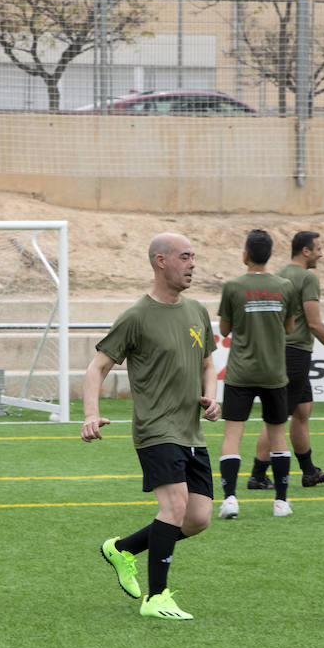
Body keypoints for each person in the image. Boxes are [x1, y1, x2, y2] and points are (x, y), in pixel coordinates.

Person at [81, 232, 220, 621]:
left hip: (191, 430)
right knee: (173, 505)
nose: (193, 264)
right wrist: (91, 414)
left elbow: (208, 363)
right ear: (161, 262)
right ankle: (156, 598)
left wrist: (211, 395)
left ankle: (122, 549)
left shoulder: (197, 312)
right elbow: (98, 367)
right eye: (185, 257)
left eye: (194, 256)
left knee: (197, 519)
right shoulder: (136, 316)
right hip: (156, 430)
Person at [249, 230, 324, 490]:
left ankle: (309, 470)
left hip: (279, 350)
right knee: (277, 417)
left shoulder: (278, 275)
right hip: (295, 354)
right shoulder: (307, 278)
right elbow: (314, 322)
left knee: (302, 411)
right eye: (318, 249)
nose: (321, 254)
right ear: (306, 251)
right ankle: (258, 475)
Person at [216, 229, 297, 519]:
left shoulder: (233, 287)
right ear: (270, 254)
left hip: (240, 373)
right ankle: (281, 503)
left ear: (245, 254)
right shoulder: (285, 286)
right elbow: (289, 328)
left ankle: (230, 500)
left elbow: (224, 330)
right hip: (275, 373)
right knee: (277, 434)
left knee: (232, 435)